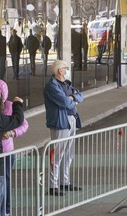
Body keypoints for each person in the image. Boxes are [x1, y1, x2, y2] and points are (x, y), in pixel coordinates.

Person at [43, 60, 84, 196]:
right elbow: (66, 102)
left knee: (68, 153)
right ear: (60, 71)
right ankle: (53, 185)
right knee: (57, 154)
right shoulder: (51, 86)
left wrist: (73, 98)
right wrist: (73, 99)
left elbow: (80, 95)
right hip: (60, 122)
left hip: (72, 119)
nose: (67, 71)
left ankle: (64, 182)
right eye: (66, 68)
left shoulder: (66, 84)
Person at [0, 79, 29, 215]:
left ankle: (6, 209)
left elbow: (23, 124)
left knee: (4, 180)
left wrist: (13, 132)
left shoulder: (9, 106)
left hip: (5, 151)